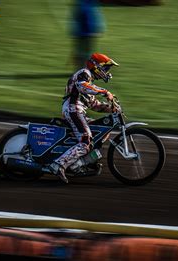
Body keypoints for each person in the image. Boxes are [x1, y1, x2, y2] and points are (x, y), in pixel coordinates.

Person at [49, 53, 119, 183]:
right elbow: (83, 86)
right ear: (97, 66)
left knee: (101, 131)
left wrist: (111, 109)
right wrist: (104, 92)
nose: (107, 72)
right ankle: (58, 165)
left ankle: (80, 163)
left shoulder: (89, 80)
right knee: (86, 141)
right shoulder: (84, 73)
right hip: (73, 109)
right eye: (106, 68)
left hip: (77, 110)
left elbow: (94, 105)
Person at [71, 0, 105, 68]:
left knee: (83, 53)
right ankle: (83, 69)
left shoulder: (86, 3)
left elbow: (77, 17)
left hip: (86, 33)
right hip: (85, 33)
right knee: (83, 53)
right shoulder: (87, 3)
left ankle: (84, 69)